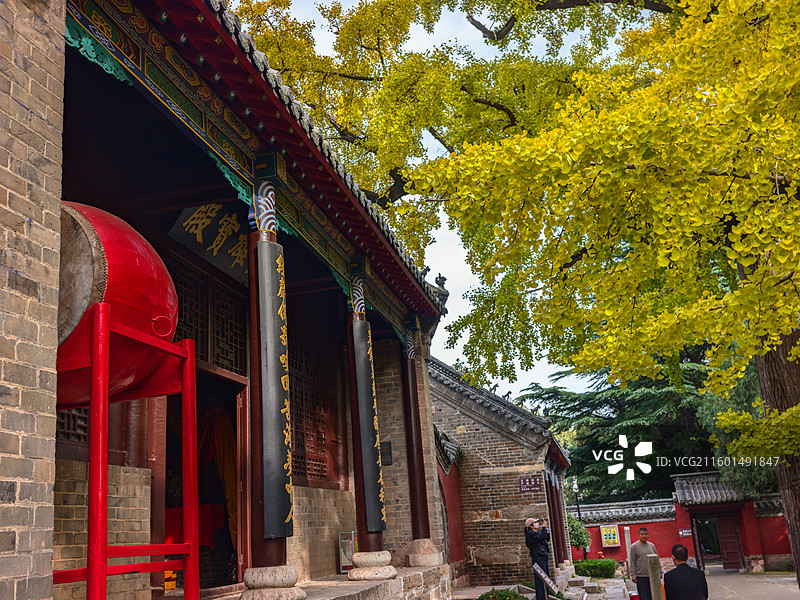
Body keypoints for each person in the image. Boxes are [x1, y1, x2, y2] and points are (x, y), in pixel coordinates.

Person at [629, 527, 658, 600]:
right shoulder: (634, 546)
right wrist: (633, 575)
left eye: (645, 534)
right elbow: (632, 561)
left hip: (652, 575)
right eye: (642, 534)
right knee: (643, 596)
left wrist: (659, 571)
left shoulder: (651, 545)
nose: (644, 536)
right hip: (640, 576)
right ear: (639, 535)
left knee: (652, 595)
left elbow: (656, 559)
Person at [525, 517, 550, 600]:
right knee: (540, 579)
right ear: (531, 526)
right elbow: (541, 538)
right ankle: (541, 598)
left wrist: (546, 530)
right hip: (538, 557)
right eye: (535, 522)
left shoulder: (538, 532)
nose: (537, 523)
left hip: (543, 556)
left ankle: (546, 596)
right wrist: (544, 528)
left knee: (546, 578)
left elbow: (546, 538)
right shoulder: (530, 534)